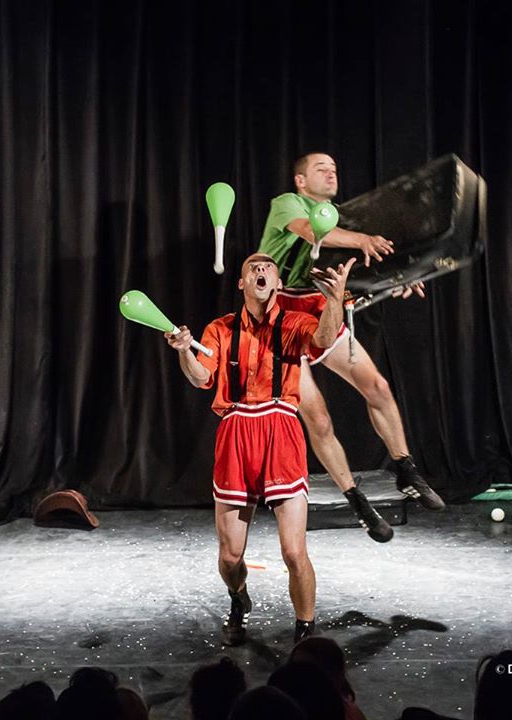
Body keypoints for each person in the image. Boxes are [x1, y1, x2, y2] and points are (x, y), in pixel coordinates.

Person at [166, 252, 354, 645]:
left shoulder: (293, 322)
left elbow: (323, 339)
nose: (261, 269)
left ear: (279, 283)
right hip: (236, 432)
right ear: (242, 283)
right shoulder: (220, 329)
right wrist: (184, 350)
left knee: (293, 551)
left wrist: (334, 300)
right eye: (253, 267)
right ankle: (238, 597)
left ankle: (305, 632)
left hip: (281, 430)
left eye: (269, 266)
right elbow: (201, 377)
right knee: (230, 556)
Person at [259, 152, 445, 543]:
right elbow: (311, 232)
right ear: (301, 181)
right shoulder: (288, 204)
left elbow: (361, 268)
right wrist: (362, 239)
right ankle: (356, 500)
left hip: (319, 312)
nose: (331, 173)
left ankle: (405, 469)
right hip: (278, 320)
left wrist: (398, 279)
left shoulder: (343, 220)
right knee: (318, 417)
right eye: (320, 169)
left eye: (334, 169)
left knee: (377, 387)